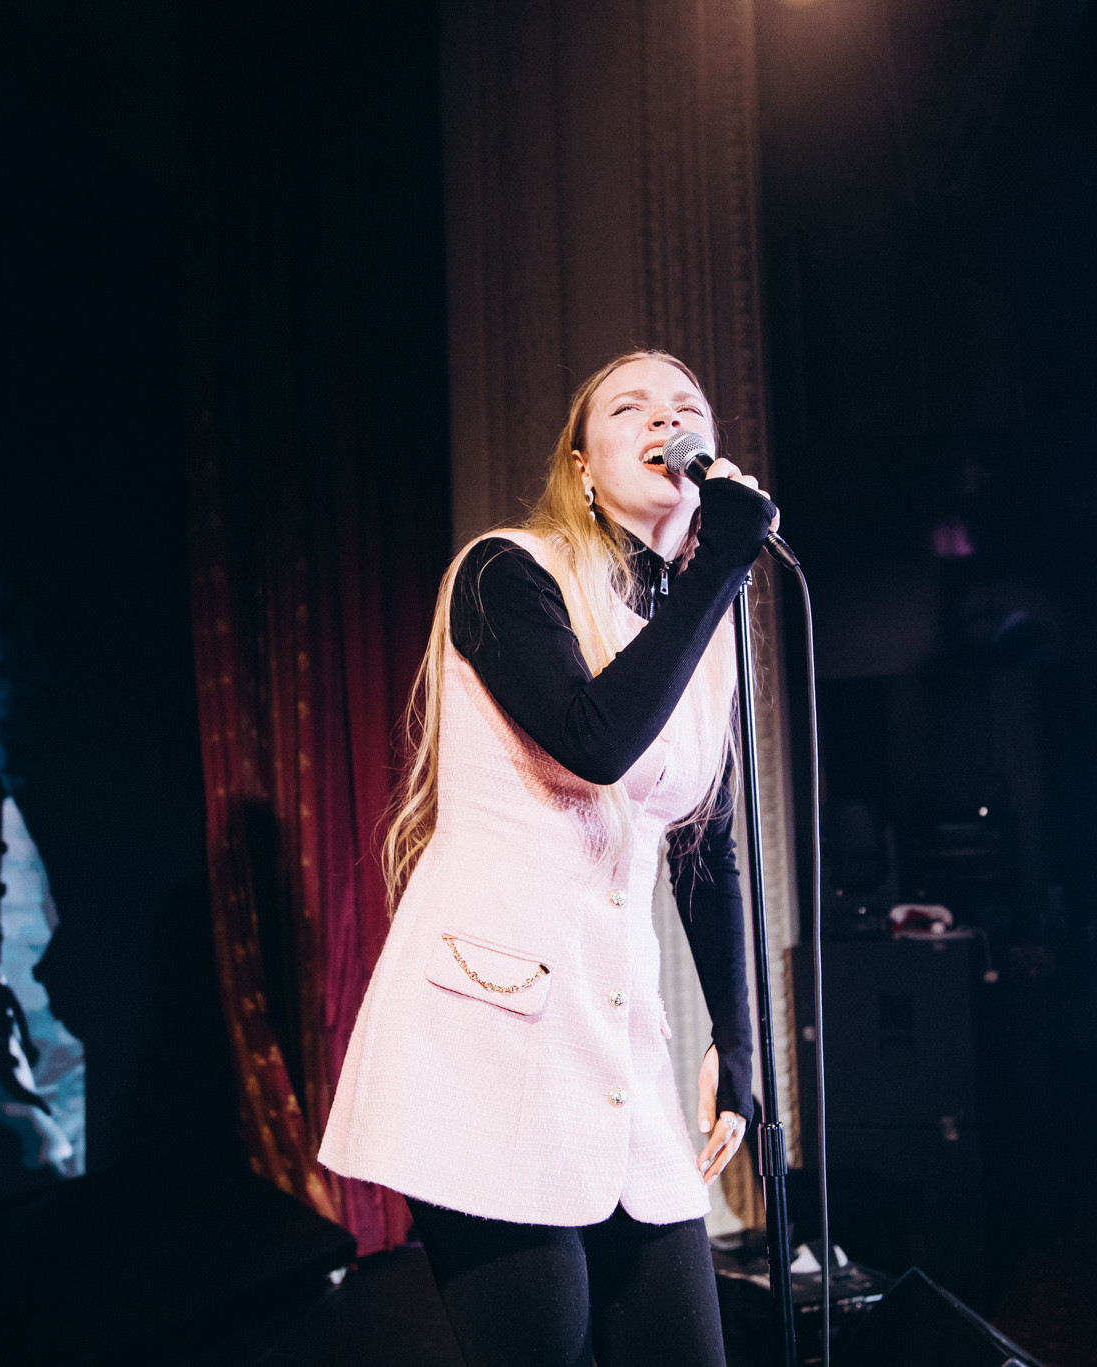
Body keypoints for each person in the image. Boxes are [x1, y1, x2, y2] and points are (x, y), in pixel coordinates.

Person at [318, 350, 778, 1367]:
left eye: (684, 407)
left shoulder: (693, 632)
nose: (662, 418)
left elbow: (708, 842)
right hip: (486, 1031)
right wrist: (716, 569)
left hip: (616, 1045)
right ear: (581, 465)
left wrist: (738, 1047)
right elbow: (591, 740)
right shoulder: (504, 571)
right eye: (630, 407)